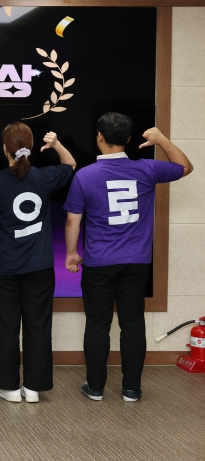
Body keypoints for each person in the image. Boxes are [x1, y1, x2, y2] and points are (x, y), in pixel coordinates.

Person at [64, 113, 193, 402]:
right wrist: (161, 140)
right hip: (136, 262)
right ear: (129, 139)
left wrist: (72, 254)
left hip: (98, 262)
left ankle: (95, 387)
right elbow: (185, 166)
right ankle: (132, 389)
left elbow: (73, 220)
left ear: (99, 137)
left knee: (97, 323)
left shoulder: (85, 175)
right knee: (132, 322)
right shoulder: (147, 168)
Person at [0, 122, 76, 403]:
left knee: (5, 328)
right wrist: (56, 144)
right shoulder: (44, 176)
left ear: (4, 149)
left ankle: (9, 387)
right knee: (38, 326)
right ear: (31, 147)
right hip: (39, 266)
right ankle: (34, 387)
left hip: (4, 267)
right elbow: (70, 165)